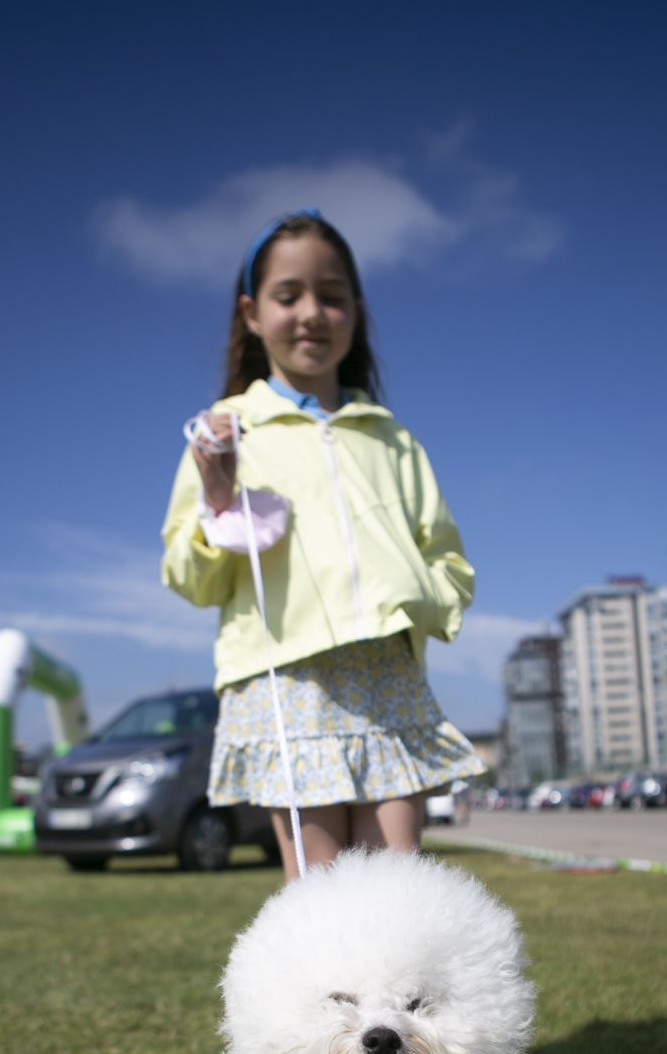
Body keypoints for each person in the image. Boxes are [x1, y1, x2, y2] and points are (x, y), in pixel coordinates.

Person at [161, 209, 484, 879]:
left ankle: (408, 994)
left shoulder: (390, 437)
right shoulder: (227, 430)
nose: (311, 313)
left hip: (385, 675)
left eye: (331, 297)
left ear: (356, 312)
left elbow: (448, 562)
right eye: (288, 296)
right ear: (251, 314)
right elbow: (190, 577)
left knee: (401, 891)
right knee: (323, 900)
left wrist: (408, 594)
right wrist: (218, 499)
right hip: (289, 678)